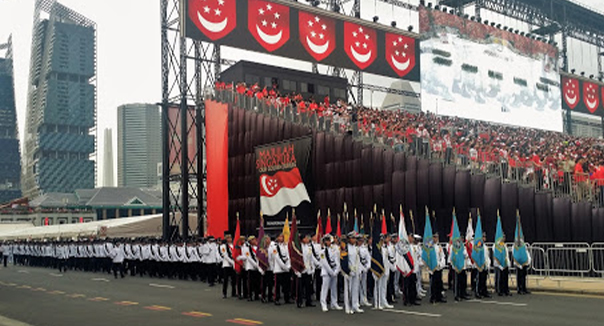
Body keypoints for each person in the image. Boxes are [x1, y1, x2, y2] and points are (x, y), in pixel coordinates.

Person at [320, 235, 342, 312]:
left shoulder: (335, 249)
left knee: (334, 288)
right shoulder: (322, 251)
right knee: (325, 288)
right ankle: (323, 303)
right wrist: (331, 271)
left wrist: (336, 271)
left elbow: (337, 260)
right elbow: (324, 263)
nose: (328, 242)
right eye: (326, 241)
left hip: (334, 270)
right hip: (326, 272)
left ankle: (334, 303)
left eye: (329, 240)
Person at [343, 232, 363, 314]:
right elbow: (343, 260)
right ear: (349, 239)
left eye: (355, 238)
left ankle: (355, 305)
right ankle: (348, 307)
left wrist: (358, 270)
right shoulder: (345, 248)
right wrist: (347, 271)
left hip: (355, 270)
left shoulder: (356, 248)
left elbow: (358, 259)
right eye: (353, 238)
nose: (355, 240)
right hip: (349, 271)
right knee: (348, 290)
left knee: (355, 289)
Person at [299, 233, 318, 308]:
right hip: (301, 269)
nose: (307, 239)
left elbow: (312, 258)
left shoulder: (309, 247)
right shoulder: (299, 247)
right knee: (300, 287)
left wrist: (317, 265)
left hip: (308, 269)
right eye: (306, 238)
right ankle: (300, 302)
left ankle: (308, 301)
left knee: (308, 286)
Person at [273, 233, 291, 305]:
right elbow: (277, 258)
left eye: (282, 237)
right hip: (278, 269)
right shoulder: (274, 247)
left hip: (286, 268)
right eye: (280, 237)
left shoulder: (286, 246)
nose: (281, 238)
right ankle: (276, 299)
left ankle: (287, 298)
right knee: (277, 286)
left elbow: (288, 256)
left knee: (286, 284)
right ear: (277, 238)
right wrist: (284, 267)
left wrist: (288, 266)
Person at [429, 233, 446, 304]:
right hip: (433, 267)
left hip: (439, 267)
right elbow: (429, 257)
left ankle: (439, 297)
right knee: (433, 283)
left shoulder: (439, 246)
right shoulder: (430, 246)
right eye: (434, 237)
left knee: (439, 282)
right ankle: (433, 297)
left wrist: (441, 264)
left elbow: (442, 256)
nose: (435, 239)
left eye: (436, 237)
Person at [476, 233, 492, 298]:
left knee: (484, 279)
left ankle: (484, 291)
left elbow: (487, 256)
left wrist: (488, 264)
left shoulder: (485, 247)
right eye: (483, 237)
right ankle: (478, 292)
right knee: (479, 279)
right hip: (480, 265)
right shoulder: (478, 246)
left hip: (485, 265)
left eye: (485, 237)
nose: (484, 238)